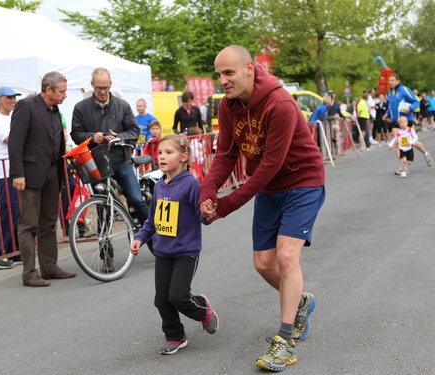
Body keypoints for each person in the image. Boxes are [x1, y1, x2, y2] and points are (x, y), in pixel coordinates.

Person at [199, 45, 325, 372]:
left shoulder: (280, 103)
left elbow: (269, 165)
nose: (223, 81)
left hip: (303, 181)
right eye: (219, 75)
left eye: (229, 73)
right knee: (263, 264)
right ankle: (300, 302)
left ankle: (285, 340)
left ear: (249, 69)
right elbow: (226, 154)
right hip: (270, 188)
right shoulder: (228, 108)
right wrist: (208, 191)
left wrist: (225, 206)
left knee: (285, 256)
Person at [130, 134, 218, 355]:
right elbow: (153, 219)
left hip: (186, 251)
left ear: (184, 156)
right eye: (159, 153)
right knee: (162, 300)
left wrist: (207, 213)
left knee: (177, 296)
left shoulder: (191, 184)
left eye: (168, 152)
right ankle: (175, 336)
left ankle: (203, 310)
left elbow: (202, 216)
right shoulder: (159, 186)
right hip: (163, 251)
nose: (161, 156)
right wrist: (140, 237)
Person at [71, 67, 149, 272]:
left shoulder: (122, 105)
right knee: (103, 208)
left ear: (111, 85)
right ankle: (107, 256)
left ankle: (154, 236)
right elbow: (75, 134)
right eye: (98, 88)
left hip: (120, 160)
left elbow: (133, 131)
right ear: (92, 86)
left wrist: (119, 137)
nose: (102, 92)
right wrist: (91, 137)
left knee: (136, 199)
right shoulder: (81, 107)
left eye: (105, 87)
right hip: (97, 164)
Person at [9, 72, 76, 287]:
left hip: (52, 172)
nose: (65, 95)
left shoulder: (55, 110)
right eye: (62, 91)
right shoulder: (26, 106)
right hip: (29, 174)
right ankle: (29, 273)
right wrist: (17, 173)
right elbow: (16, 142)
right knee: (28, 224)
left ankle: (50, 267)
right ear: (48, 90)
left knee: (49, 222)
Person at [0, 86, 22, 269]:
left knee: (17, 211)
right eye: (9, 97)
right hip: (3, 172)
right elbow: (12, 139)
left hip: (15, 170)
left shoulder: (10, 118)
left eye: (14, 97)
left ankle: (13, 251)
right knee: (9, 210)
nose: (13, 100)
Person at [382, 73, 433, 173]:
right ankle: (403, 167)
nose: (390, 82)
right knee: (398, 143)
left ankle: (426, 153)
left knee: (412, 142)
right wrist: (387, 113)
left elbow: (416, 102)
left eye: (392, 80)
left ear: (397, 81)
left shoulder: (404, 90)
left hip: (406, 120)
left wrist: (410, 108)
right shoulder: (390, 91)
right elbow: (391, 105)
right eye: (389, 81)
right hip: (395, 120)